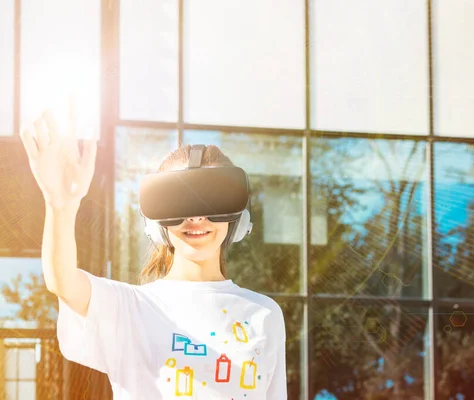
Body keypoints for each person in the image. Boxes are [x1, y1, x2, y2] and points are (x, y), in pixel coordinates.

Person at [19, 109, 288, 399]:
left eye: (213, 201)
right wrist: (60, 204)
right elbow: (62, 282)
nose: (196, 218)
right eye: (179, 203)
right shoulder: (129, 308)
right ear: (156, 225)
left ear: (236, 219)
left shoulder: (264, 314)